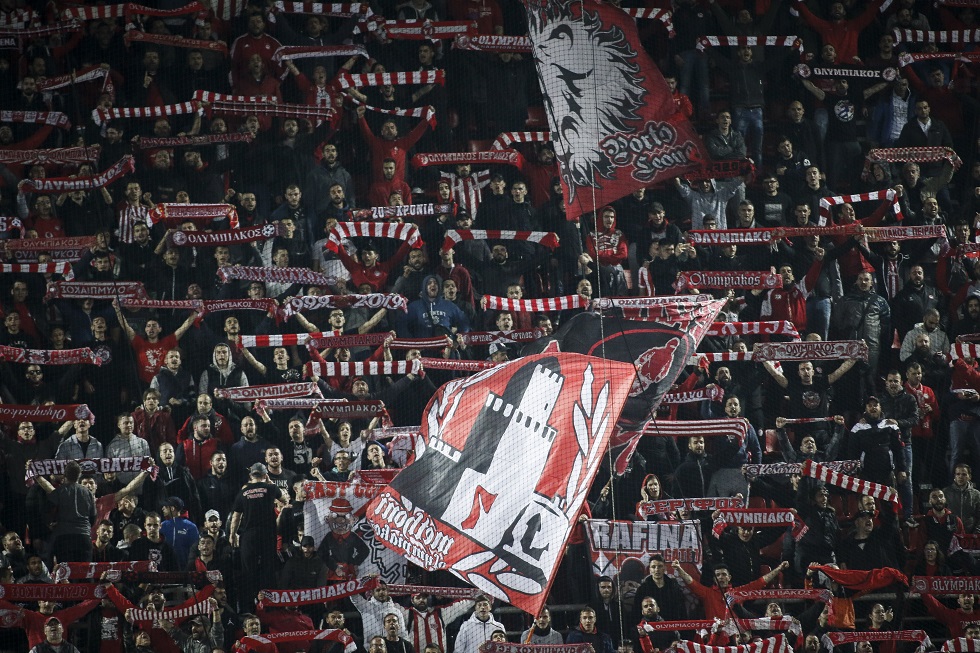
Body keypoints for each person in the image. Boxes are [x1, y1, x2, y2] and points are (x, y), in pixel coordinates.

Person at [228, 463, 285, 609]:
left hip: (249, 535)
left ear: (250, 475)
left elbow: (236, 516)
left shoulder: (243, 492)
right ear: (265, 475)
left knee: (248, 571)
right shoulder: (271, 488)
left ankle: (249, 606)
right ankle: (269, 606)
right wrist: (270, 483)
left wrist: (232, 534)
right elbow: (285, 500)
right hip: (267, 534)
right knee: (268, 569)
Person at [33, 461, 96, 563]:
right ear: (79, 475)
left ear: (65, 475)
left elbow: (46, 510)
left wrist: (50, 524)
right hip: (84, 538)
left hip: (64, 538)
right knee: (85, 570)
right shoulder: (88, 493)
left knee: (66, 570)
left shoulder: (59, 491)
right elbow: (93, 518)